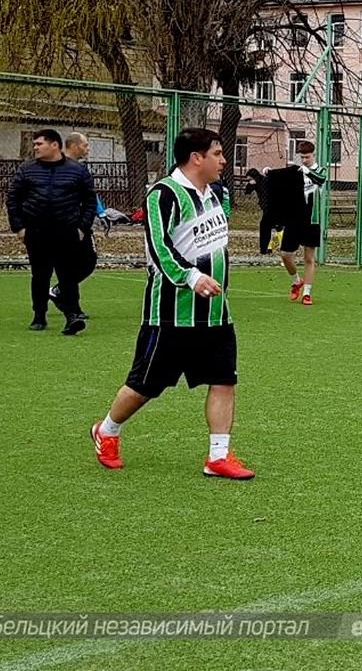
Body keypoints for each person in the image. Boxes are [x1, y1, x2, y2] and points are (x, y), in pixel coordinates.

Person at [90, 127, 253, 479]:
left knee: (224, 379)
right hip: (170, 315)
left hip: (215, 313)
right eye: (218, 154)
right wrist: (192, 278)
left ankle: (218, 456)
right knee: (144, 386)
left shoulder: (215, 193)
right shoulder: (162, 194)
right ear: (197, 157)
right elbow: (159, 249)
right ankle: (107, 430)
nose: (224, 160)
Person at [6, 128, 96, 334]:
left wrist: (82, 227)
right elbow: (13, 200)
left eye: (39, 144)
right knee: (40, 275)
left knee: (68, 276)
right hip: (36, 232)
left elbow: (90, 201)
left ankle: (72, 316)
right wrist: (19, 227)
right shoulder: (26, 170)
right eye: (35, 144)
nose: (35, 147)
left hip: (67, 232)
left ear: (54, 145)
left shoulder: (77, 170)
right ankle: (39, 316)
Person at [55, 132, 102, 318]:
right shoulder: (57, 168)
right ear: (74, 146)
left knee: (87, 261)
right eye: (85, 145)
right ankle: (71, 307)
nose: (88, 149)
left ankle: (62, 293)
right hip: (63, 225)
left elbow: (89, 196)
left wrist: (99, 212)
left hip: (80, 225)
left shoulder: (80, 169)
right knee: (69, 264)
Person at [277, 141, 328, 306]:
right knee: (285, 254)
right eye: (302, 157)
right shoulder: (297, 171)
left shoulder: (320, 170)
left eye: (307, 157)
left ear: (313, 154)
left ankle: (307, 292)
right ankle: (296, 280)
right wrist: (269, 174)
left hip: (311, 221)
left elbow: (320, 179)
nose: (304, 160)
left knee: (308, 258)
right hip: (294, 219)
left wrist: (307, 171)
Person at [242, 167, 273, 254]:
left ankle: (265, 249)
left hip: (271, 207)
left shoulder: (265, 181)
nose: (249, 181)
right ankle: (265, 249)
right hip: (266, 208)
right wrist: (250, 184)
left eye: (250, 179)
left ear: (254, 177)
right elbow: (247, 192)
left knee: (265, 227)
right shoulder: (255, 183)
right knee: (265, 227)